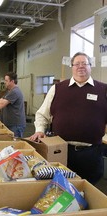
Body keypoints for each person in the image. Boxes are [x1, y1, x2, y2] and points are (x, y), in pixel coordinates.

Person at [29, 52, 107, 184]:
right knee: (59, 186)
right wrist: (40, 130)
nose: (81, 66)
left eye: (84, 63)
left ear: (90, 66)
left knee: (88, 187)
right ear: (72, 67)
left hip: (92, 153)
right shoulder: (58, 89)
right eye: (77, 64)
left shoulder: (103, 89)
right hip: (61, 151)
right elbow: (42, 114)